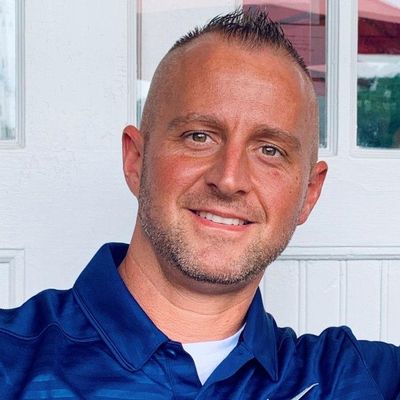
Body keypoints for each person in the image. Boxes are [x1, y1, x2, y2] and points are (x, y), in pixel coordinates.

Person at [0, 8, 399, 400]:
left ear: (309, 194)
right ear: (136, 160)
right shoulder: (12, 362)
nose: (229, 180)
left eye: (270, 150)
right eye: (199, 137)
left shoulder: (356, 379)